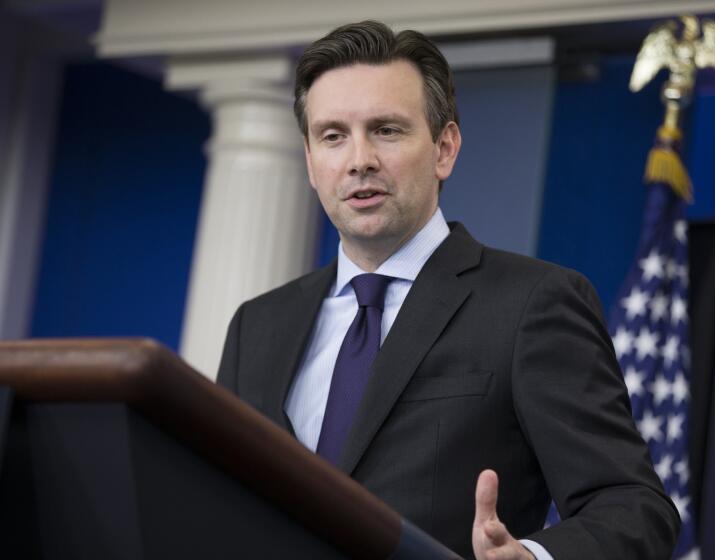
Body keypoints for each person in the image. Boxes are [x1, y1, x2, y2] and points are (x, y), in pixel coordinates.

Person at [217, 20, 680, 560]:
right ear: (311, 162)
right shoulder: (258, 324)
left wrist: (533, 556)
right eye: (333, 135)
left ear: (445, 148)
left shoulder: (533, 303)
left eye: (386, 130)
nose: (359, 159)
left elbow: (634, 506)